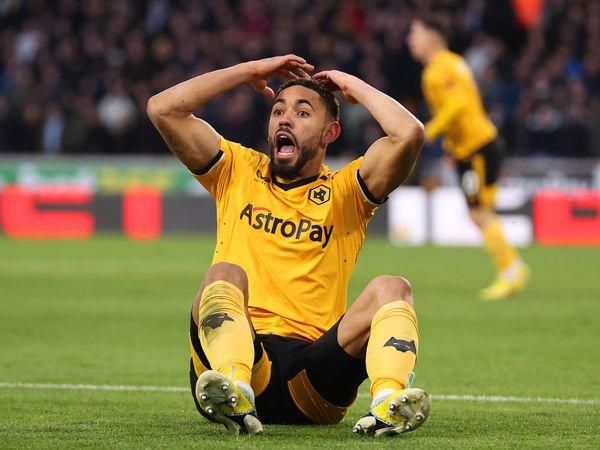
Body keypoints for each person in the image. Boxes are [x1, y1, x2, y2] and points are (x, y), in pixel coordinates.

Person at [147, 55, 430, 437]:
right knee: (224, 273)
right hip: (249, 356)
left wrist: (355, 87)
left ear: (330, 133)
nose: (284, 118)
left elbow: (408, 134)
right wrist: (247, 72)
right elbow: (162, 109)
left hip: (312, 381)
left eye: (302, 113)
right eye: (278, 110)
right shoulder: (236, 170)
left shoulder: (347, 193)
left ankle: (388, 404)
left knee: (393, 288)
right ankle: (234, 384)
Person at [407, 17, 530, 301]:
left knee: (480, 212)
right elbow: (465, 106)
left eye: (414, 33)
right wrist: (451, 147)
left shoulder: (442, 68)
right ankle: (512, 268)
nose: (409, 40)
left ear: (431, 36)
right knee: (480, 212)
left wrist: (431, 130)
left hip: (477, 147)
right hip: (471, 147)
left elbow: (459, 104)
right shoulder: (450, 64)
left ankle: (512, 271)